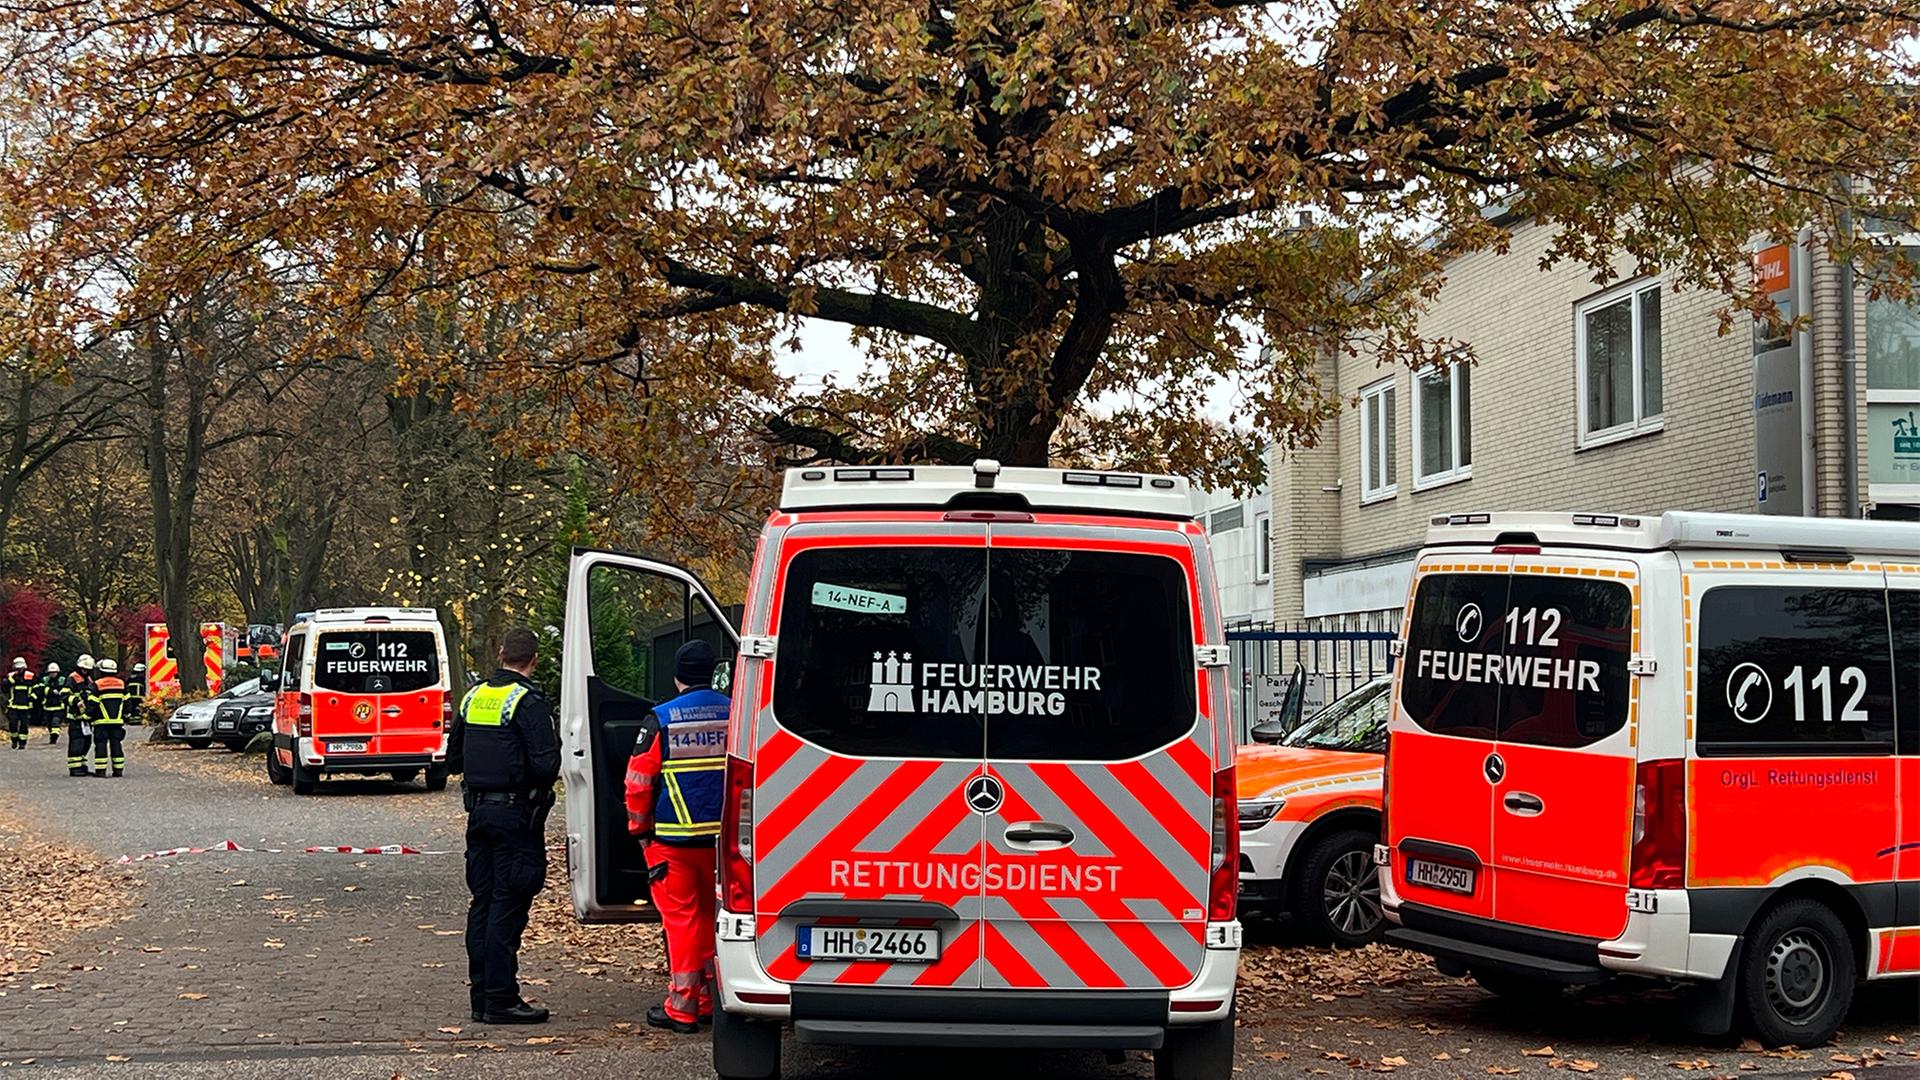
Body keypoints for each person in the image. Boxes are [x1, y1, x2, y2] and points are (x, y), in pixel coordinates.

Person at [448, 627, 558, 1026]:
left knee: (483, 903)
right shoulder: (527, 702)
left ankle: (482, 997)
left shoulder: (474, 697)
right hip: (516, 818)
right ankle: (501, 999)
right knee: (508, 905)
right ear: (534, 659)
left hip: (479, 816)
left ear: (499, 653)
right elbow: (546, 765)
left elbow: (453, 758)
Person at [623, 639, 730, 1034]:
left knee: (682, 921)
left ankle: (682, 1007)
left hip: (673, 842)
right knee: (711, 917)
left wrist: (639, 831)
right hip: (723, 842)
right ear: (713, 672)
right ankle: (708, 999)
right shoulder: (736, 712)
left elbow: (638, 781)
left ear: (677, 676)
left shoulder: (662, 718)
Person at [86, 659, 131, 777]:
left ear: (101, 671)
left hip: (101, 722)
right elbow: (127, 702)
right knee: (116, 744)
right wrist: (126, 716)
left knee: (101, 745)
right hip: (117, 722)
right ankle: (118, 770)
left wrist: (88, 716)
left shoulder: (97, 685)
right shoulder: (122, 684)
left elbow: (92, 704)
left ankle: (101, 771)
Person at [65, 655, 95, 777]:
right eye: (83, 669)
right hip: (75, 717)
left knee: (86, 742)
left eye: (87, 669)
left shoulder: (89, 680)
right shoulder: (72, 678)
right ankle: (74, 768)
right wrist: (76, 701)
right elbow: (64, 695)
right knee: (76, 742)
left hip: (86, 718)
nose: (85, 671)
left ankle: (82, 765)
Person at [5, 657, 35, 751]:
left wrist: (32, 698)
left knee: (24, 725)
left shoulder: (30, 676)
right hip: (13, 705)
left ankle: (22, 743)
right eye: (18, 668)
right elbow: (5, 688)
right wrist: (11, 679)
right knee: (13, 724)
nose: (19, 670)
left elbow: (38, 688)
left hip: (25, 706)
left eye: (21, 668)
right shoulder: (10, 676)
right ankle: (14, 740)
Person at [38, 661, 65, 745]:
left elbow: (65, 689)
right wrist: (51, 691)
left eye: (54, 672)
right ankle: (52, 735)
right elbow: (41, 689)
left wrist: (59, 692)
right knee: (49, 724)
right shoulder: (45, 680)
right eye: (51, 673)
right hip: (47, 706)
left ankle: (54, 737)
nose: (53, 674)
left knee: (55, 722)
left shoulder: (62, 680)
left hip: (59, 706)